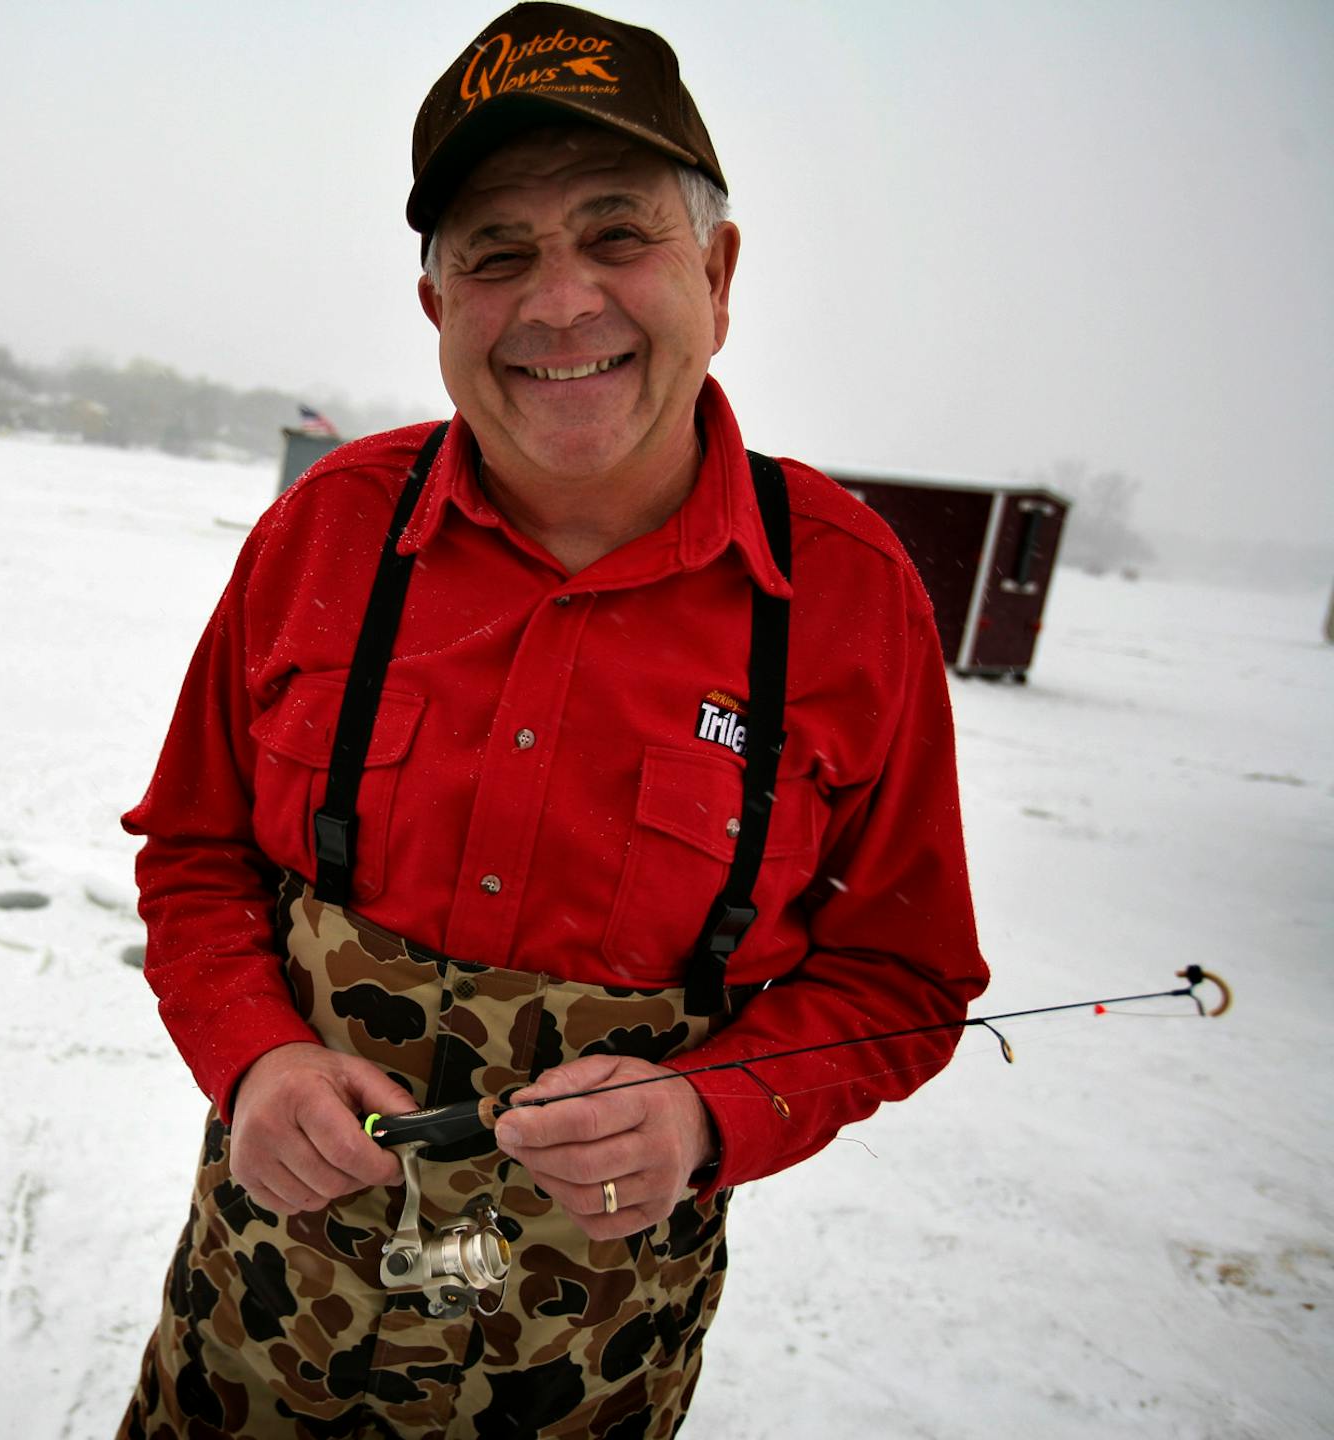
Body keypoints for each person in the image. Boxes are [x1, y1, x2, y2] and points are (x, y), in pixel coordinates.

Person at [118, 5, 989, 1435]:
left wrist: (714, 1109)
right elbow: (198, 853)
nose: (560, 301)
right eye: (496, 252)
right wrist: (255, 1050)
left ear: (716, 271)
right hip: (258, 1334)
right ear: (437, 305)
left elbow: (905, 978)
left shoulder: (849, 602)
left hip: (585, 1368)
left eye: (617, 235)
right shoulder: (324, 534)